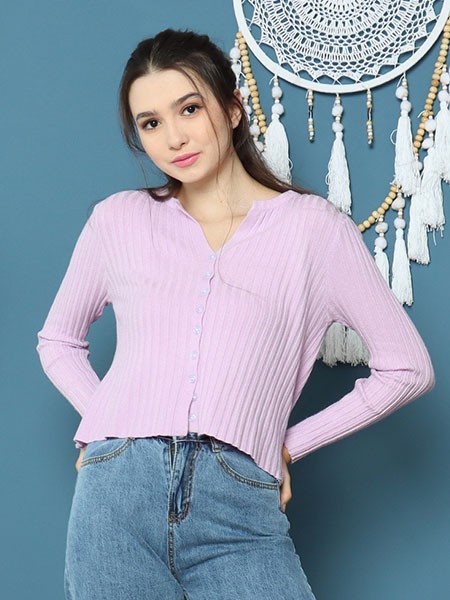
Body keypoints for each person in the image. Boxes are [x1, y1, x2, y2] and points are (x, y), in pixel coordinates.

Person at [36, 28, 435, 600]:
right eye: (150, 123)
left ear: (232, 108)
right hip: (116, 490)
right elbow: (58, 340)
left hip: (239, 499)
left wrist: (287, 443)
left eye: (189, 109)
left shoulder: (314, 230)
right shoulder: (118, 220)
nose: (174, 137)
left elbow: (408, 368)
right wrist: (104, 421)